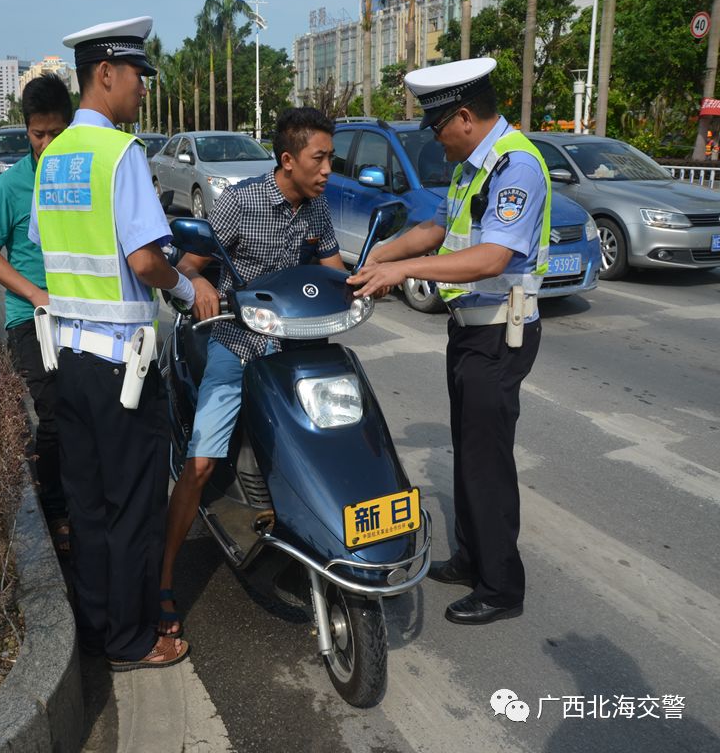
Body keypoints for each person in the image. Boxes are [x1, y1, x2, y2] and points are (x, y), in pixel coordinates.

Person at [347, 57, 550, 625]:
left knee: (487, 462)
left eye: (438, 130)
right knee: (468, 451)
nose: (437, 143)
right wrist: (383, 255)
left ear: (464, 116)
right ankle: (471, 556)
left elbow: (491, 256)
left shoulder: (516, 167)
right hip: (469, 332)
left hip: (499, 334)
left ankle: (502, 586)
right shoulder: (473, 167)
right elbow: (438, 226)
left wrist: (406, 271)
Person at [29, 15, 195, 671]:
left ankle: (101, 626)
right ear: (106, 74)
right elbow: (148, 261)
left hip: (68, 361)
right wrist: (187, 288)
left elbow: (53, 251)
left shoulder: (53, 157)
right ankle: (132, 639)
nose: (143, 89)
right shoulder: (119, 156)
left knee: (90, 504)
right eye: (137, 76)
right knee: (132, 507)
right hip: (122, 367)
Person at [159, 107, 345, 636]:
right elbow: (192, 265)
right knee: (198, 463)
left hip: (300, 351)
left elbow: (334, 269)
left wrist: (371, 278)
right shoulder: (240, 203)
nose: (328, 168)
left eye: (329, 157)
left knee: (330, 440)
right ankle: (165, 579)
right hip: (238, 345)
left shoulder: (316, 208)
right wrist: (197, 288)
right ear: (288, 160)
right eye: (320, 158)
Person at [0, 74, 72, 553]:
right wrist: (35, 295)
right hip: (31, 319)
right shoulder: (12, 185)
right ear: (27, 131)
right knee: (53, 414)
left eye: (57, 132)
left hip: (81, 312)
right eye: (39, 134)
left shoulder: (81, 177)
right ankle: (57, 509)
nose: (48, 143)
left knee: (91, 409)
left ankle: (85, 497)